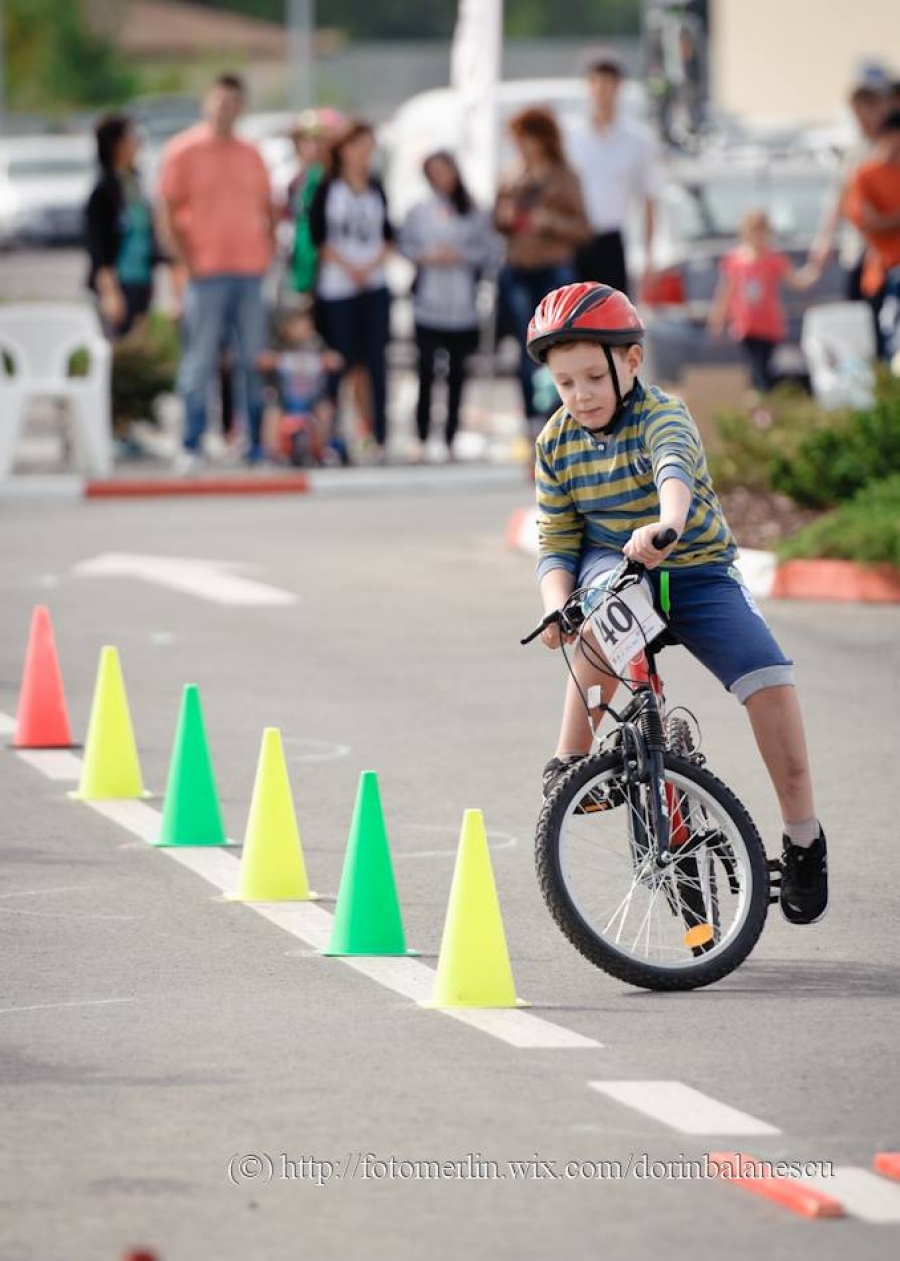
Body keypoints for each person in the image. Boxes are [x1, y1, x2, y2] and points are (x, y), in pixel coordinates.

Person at [530, 281, 828, 926]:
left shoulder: (663, 414)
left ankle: (803, 837)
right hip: (617, 567)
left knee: (770, 679)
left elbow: (674, 475)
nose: (579, 395)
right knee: (601, 609)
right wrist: (558, 605)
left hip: (694, 570)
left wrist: (665, 526)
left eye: (592, 377)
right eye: (564, 383)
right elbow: (555, 543)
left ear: (630, 363)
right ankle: (569, 764)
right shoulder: (555, 443)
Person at [157, 72, 275, 469]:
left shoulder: (251, 153)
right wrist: (185, 263)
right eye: (221, 101)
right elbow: (169, 213)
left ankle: (254, 442)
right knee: (200, 361)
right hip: (205, 274)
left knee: (253, 360)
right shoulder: (184, 151)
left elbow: (268, 209)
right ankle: (191, 442)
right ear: (207, 102)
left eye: (234, 102)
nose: (227, 109)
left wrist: (267, 252)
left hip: (249, 271)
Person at [495, 106, 591, 432]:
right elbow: (495, 220)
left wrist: (548, 222)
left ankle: (560, 413)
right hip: (517, 268)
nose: (521, 145)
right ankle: (532, 419)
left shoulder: (564, 175)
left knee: (556, 344)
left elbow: (582, 227)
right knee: (525, 347)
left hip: (553, 269)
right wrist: (505, 218)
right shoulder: (511, 174)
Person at [399, 151, 496, 461]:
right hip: (429, 300)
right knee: (426, 370)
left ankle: (452, 435)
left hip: (463, 302)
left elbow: (488, 249)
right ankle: (423, 434)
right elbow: (405, 245)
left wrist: (461, 256)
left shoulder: (472, 210)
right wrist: (427, 255)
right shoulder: (420, 210)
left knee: (457, 373)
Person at [308, 118, 394, 463]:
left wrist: (370, 267)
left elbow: (388, 234)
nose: (365, 154)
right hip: (337, 287)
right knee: (338, 363)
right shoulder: (327, 188)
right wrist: (349, 267)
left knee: (374, 363)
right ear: (343, 149)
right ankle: (331, 437)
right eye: (359, 145)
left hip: (373, 284)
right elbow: (318, 237)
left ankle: (378, 436)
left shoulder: (376, 185)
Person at [569, 52, 663, 296]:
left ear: (619, 88)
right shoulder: (571, 136)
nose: (602, 92)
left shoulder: (637, 140)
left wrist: (648, 257)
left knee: (613, 322)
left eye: (609, 85)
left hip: (611, 241)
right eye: (597, 84)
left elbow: (649, 198)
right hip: (574, 239)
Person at [707, 209, 819, 395]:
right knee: (755, 367)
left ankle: (766, 403)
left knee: (764, 368)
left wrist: (815, 268)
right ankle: (763, 404)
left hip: (769, 325)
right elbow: (725, 291)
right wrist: (718, 317)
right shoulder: (735, 260)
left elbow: (797, 281)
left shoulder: (774, 260)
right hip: (745, 325)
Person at [85, 113, 163, 338]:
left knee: (138, 349)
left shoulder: (135, 184)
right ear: (115, 145)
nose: (137, 144)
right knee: (116, 350)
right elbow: (97, 247)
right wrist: (110, 293)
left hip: (141, 281)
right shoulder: (103, 191)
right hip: (118, 283)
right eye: (131, 138)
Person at [811, 83, 888, 302]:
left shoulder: (890, 150)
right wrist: (825, 240)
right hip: (859, 248)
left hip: (888, 251)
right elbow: (838, 199)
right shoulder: (854, 154)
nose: (863, 121)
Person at [844, 109, 900, 361]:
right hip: (885, 268)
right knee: (886, 339)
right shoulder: (865, 174)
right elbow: (866, 223)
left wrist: (886, 218)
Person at [259, 302, 345, 467]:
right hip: (286, 397)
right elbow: (262, 361)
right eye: (297, 324)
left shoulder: (316, 345)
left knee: (325, 410)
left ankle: (322, 450)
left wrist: (328, 361)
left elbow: (335, 360)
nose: (303, 328)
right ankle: (270, 452)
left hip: (311, 397)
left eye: (306, 324)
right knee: (272, 412)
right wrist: (277, 360)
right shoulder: (280, 347)